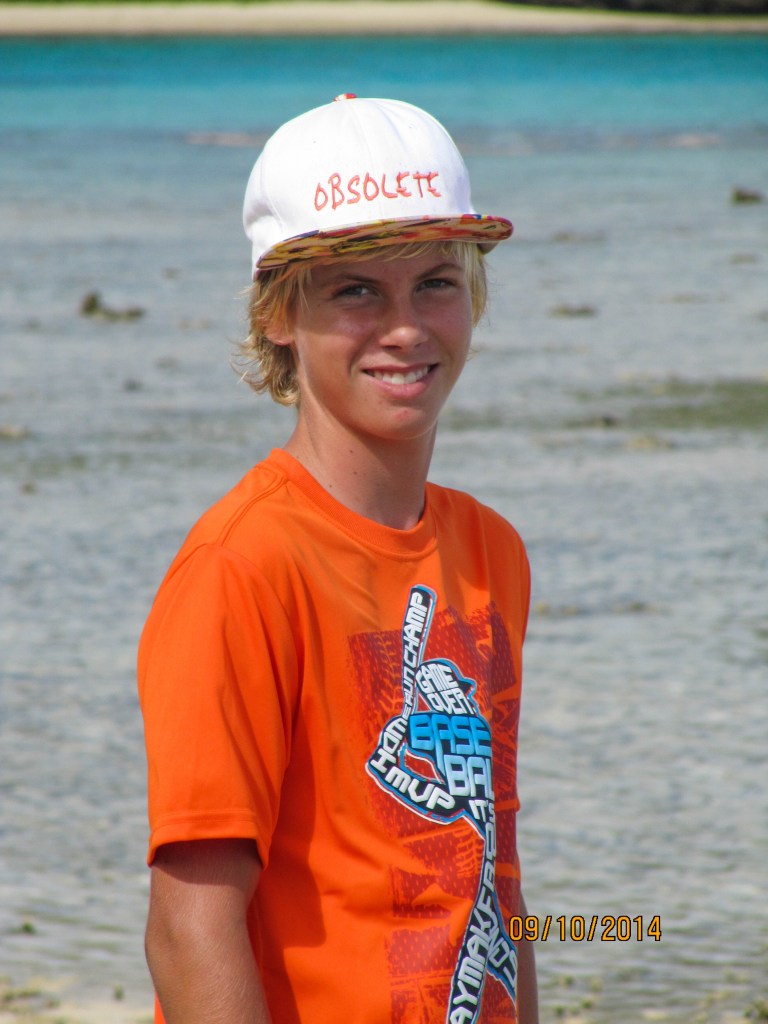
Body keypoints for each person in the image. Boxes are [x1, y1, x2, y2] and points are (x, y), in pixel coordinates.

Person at [138, 93, 538, 1024]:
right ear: (279, 313)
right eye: (356, 290)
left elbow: (493, 873)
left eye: (435, 282)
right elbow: (190, 929)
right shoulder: (242, 569)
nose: (405, 327)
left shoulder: (492, 553)